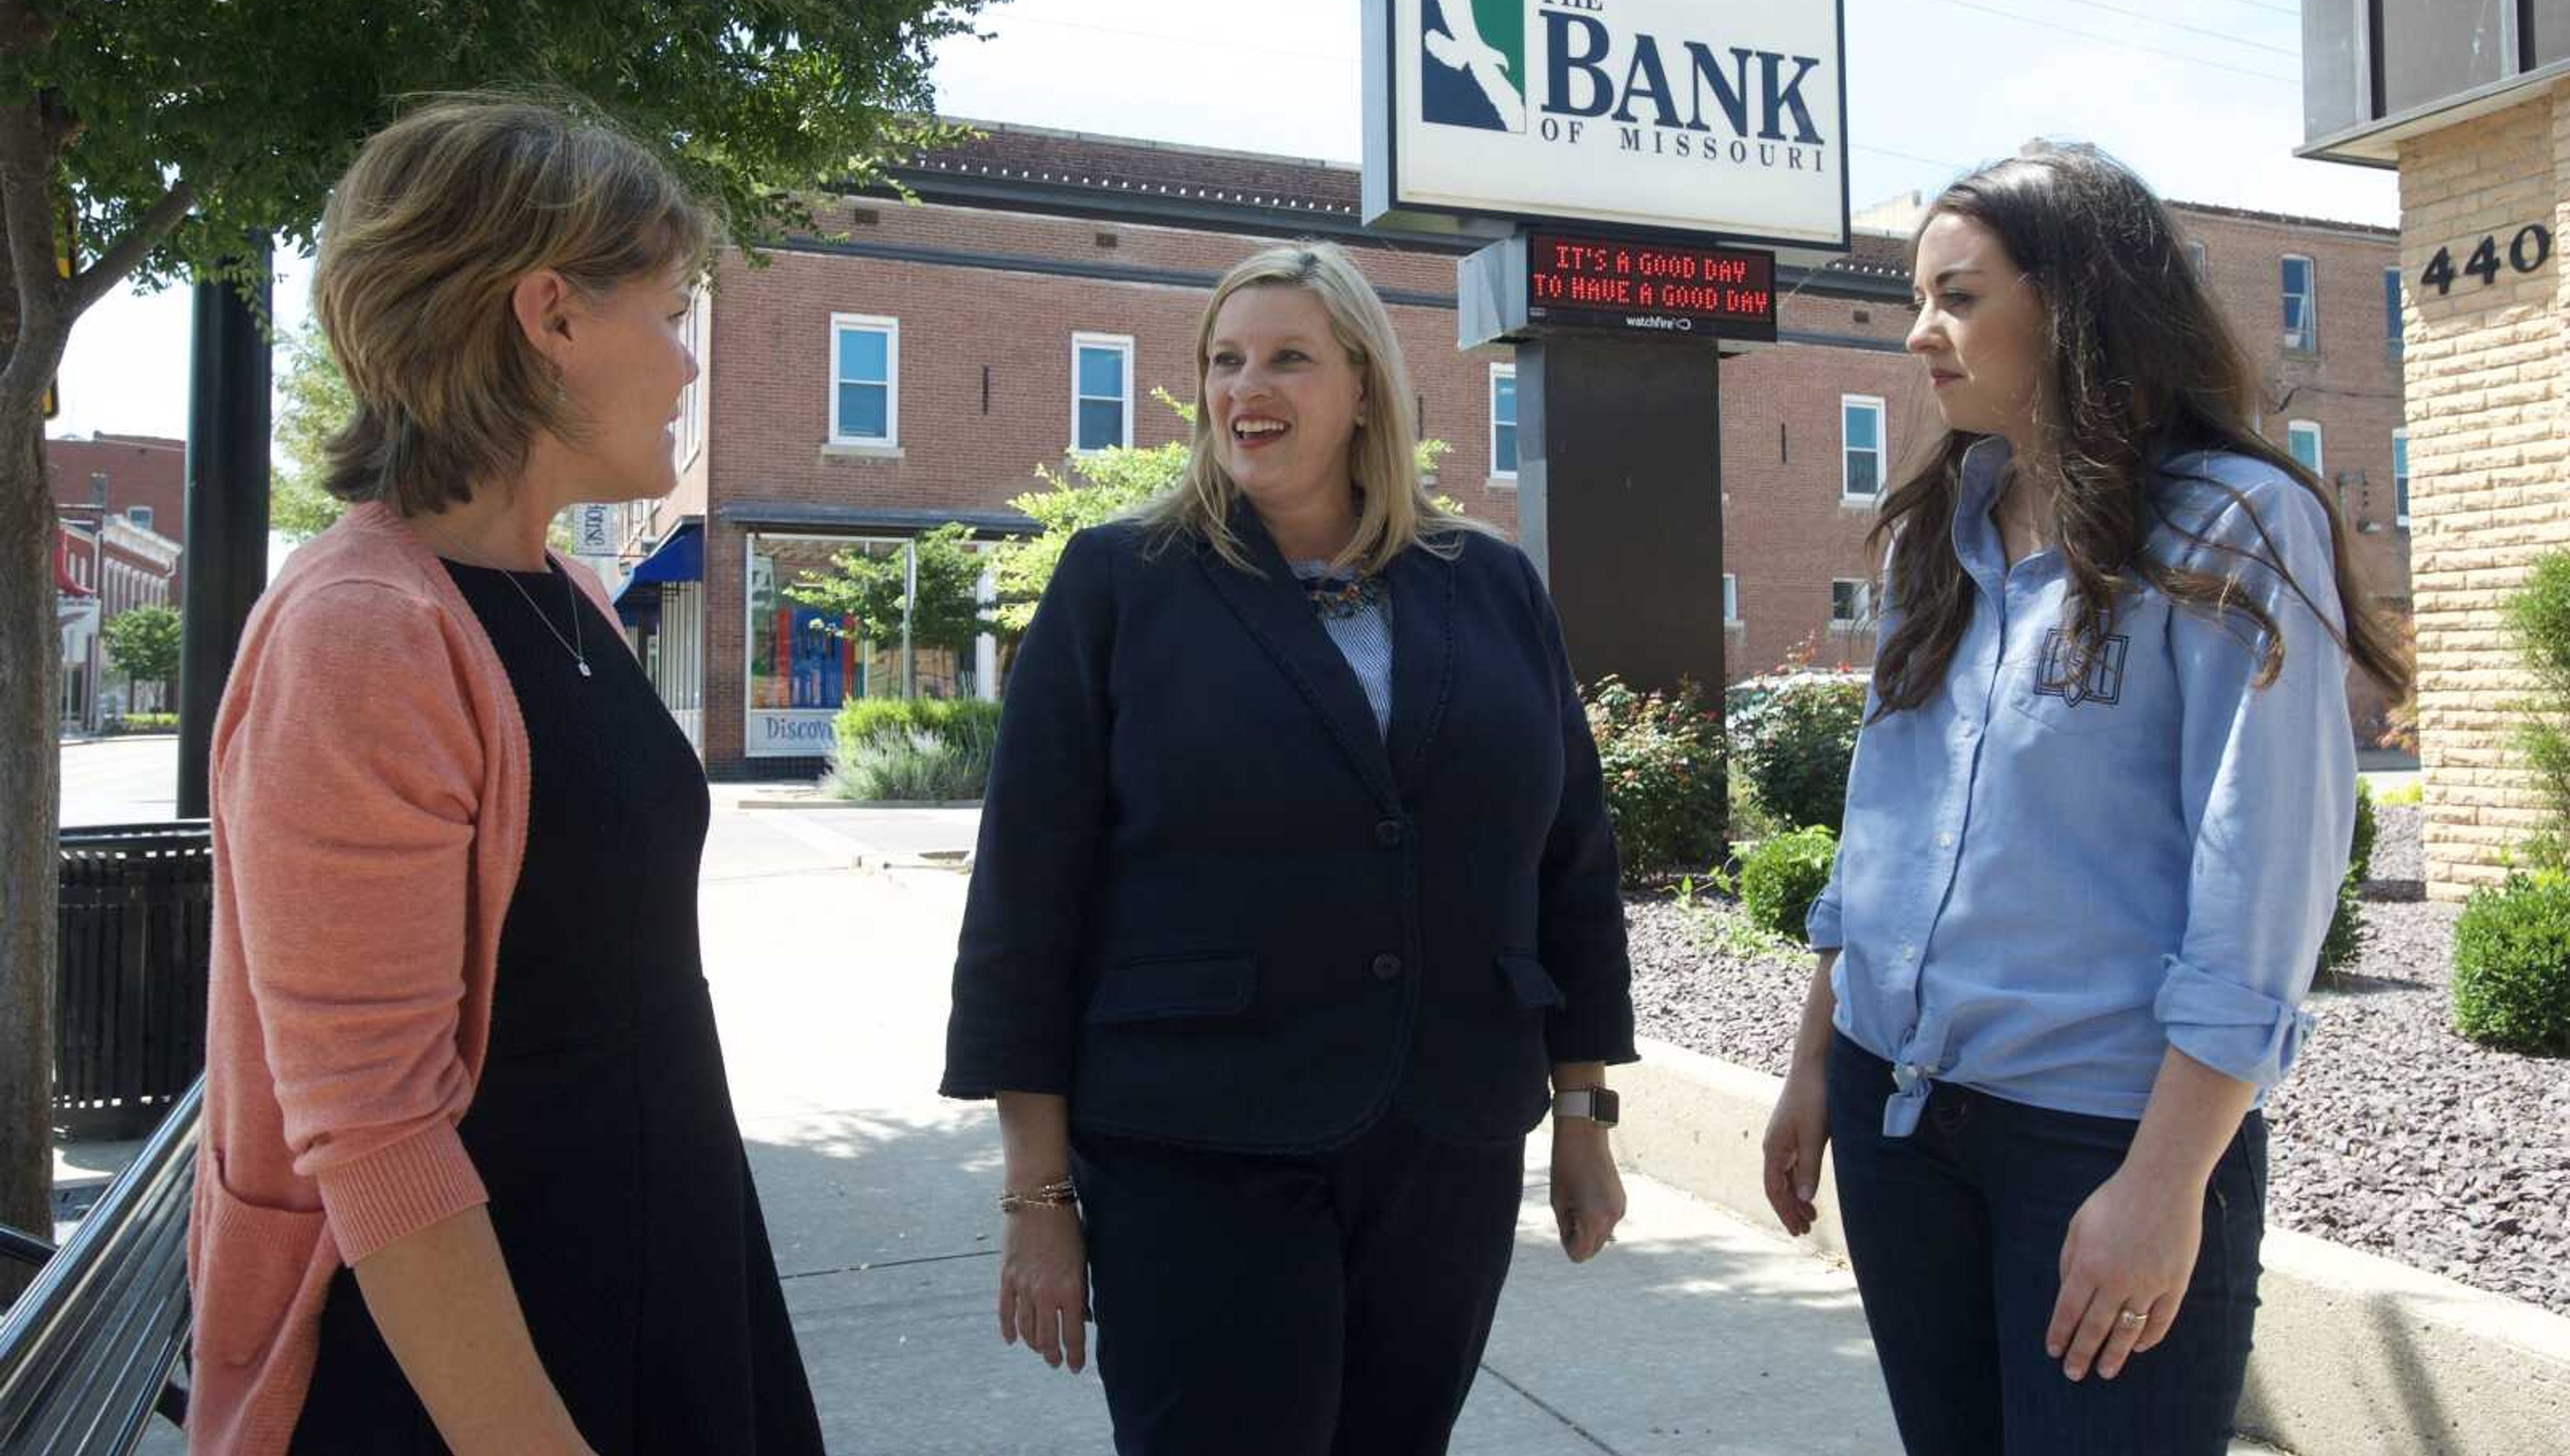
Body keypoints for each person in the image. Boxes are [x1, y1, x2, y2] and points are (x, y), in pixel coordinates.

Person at [186, 96, 825, 1455]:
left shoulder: (571, 595)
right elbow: (374, 1136)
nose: (689, 366)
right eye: (668, 311)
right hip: (474, 1369)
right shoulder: (363, 630)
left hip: (663, 1271)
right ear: (550, 317)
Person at [1760, 144, 2406, 1455]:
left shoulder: (2234, 525)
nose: (1920, 335)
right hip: (1901, 1128)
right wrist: (1815, 1060)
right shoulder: (1939, 528)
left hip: (2101, 1147)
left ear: (2074, 304)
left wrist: (2167, 1184)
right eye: (1914, 300)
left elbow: (2261, 885)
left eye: (1956, 296)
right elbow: (1882, 819)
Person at [941, 241, 1637, 1455]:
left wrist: (1582, 1113)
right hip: (1195, 1149)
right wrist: (1037, 1190)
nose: (1243, 389)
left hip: (1446, 1143)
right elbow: (1025, 897)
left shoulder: (1491, 584)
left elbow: (1570, 859)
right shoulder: (1120, 582)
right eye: (1224, 360)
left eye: (1287, 359)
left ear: (1366, 385)